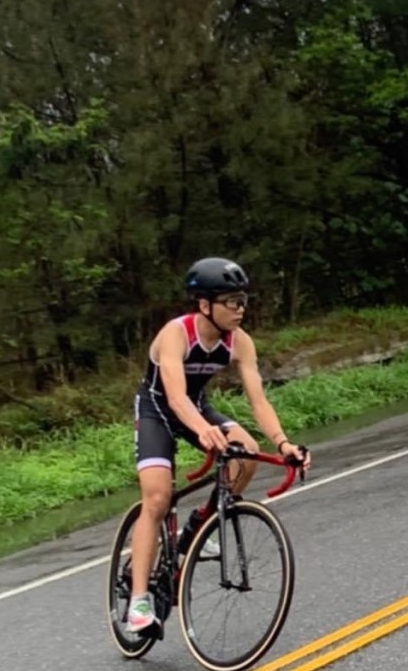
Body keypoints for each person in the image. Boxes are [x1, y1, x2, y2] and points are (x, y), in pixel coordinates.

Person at [127, 256, 311, 633]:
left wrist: (284, 444)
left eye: (243, 301)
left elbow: (258, 401)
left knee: (246, 454)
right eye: (232, 302)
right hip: (157, 410)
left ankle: (201, 524)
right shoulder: (176, 334)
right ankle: (139, 602)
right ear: (205, 305)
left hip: (196, 406)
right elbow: (175, 397)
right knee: (157, 498)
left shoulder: (240, 341)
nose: (240, 309)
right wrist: (202, 430)